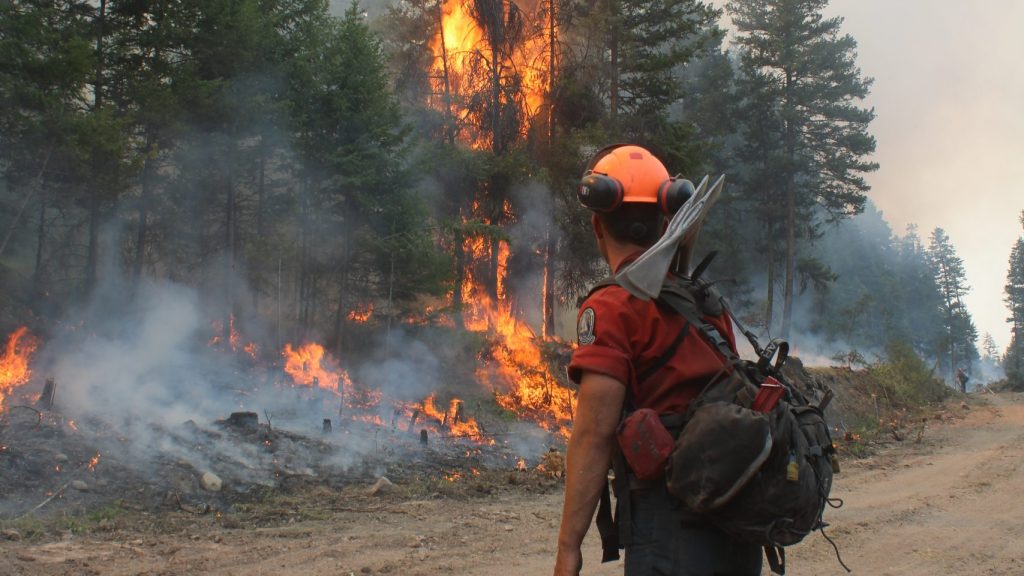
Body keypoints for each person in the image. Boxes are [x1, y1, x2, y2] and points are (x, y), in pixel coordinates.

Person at [553, 145, 762, 576]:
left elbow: (594, 434)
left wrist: (569, 549)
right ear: (666, 220)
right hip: (739, 524)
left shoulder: (612, 308)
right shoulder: (705, 303)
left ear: (597, 223)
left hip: (670, 528)